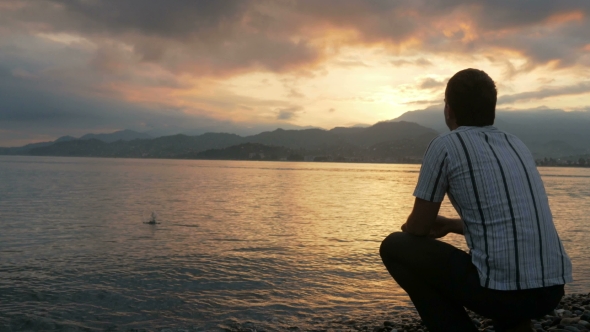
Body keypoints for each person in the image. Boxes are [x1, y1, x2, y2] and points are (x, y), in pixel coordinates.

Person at [379, 69, 572, 332]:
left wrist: (415, 234)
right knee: (500, 268)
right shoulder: (516, 145)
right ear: (492, 109)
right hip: (551, 290)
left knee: (395, 247)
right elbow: (509, 222)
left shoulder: (444, 145)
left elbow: (418, 228)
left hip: (505, 294)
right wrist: (449, 224)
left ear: (448, 110)